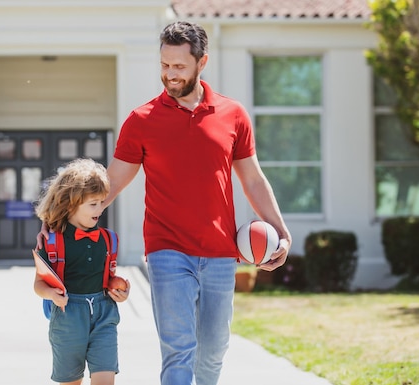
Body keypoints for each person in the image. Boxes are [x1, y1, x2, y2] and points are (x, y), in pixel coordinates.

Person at [40, 21, 291, 385]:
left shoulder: (232, 115)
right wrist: (65, 221)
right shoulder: (142, 121)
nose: (169, 75)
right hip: (167, 250)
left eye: (178, 67)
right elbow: (111, 183)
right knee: (178, 348)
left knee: (214, 349)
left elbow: (252, 178)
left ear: (202, 62)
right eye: (164, 66)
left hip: (221, 253)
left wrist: (281, 232)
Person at [33, 158, 130, 385]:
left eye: (102, 202)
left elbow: (108, 279)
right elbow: (38, 284)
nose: (100, 209)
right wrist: (50, 295)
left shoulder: (108, 239)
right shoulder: (51, 241)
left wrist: (120, 290)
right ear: (71, 205)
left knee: (105, 379)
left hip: (104, 314)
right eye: (93, 204)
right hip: (68, 317)